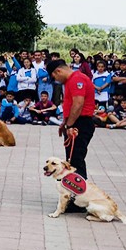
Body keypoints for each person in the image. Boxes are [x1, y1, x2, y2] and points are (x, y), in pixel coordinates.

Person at [47, 59, 96, 196]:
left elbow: (78, 104)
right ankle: (75, 194)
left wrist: (71, 125)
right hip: (75, 123)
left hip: (80, 124)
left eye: (54, 77)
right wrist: (65, 123)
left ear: (58, 71)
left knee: (75, 162)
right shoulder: (72, 80)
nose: (56, 80)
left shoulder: (77, 79)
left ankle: (80, 196)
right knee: (73, 159)